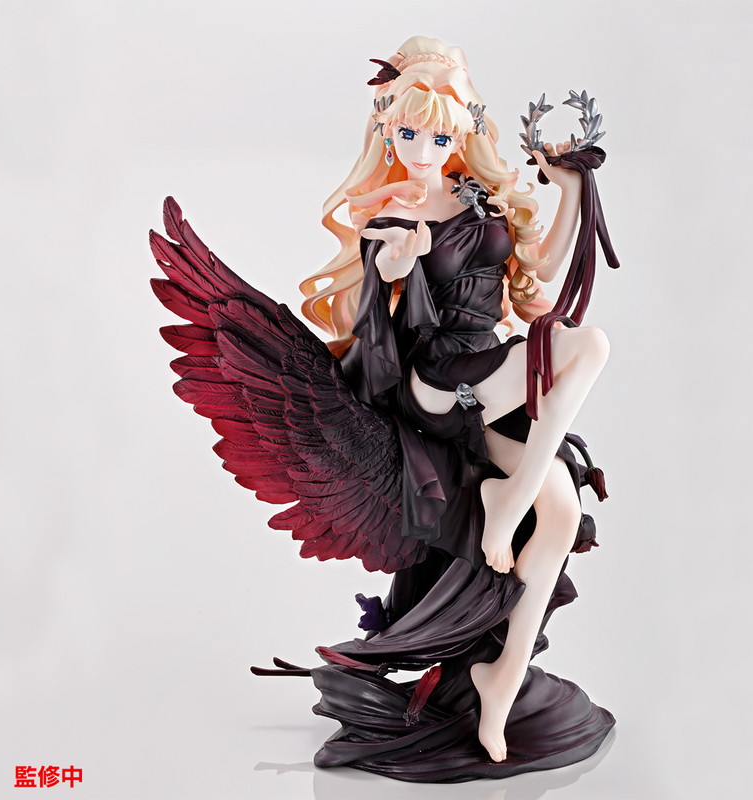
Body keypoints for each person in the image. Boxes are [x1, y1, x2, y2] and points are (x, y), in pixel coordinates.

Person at [151, 34, 616, 782]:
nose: (423, 151)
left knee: (559, 515)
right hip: (441, 382)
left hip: (493, 376)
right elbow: (381, 324)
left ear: (464, 132)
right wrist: (392, 266)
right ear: (385, 130)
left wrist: (570, 192)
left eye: (440, 137)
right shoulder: (391, 209)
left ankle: (499, 682)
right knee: (587, 348)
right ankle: (505, 506)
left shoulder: (480, 196)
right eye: (408, 135)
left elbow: (538, 275)